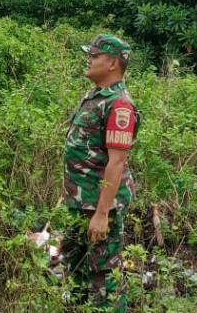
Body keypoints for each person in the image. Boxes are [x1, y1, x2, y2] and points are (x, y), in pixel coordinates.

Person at [61, 34, 139, 312]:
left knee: (105, 275)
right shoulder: (94, 96)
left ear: (112, 63)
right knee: (77, 267)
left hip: (99, 204)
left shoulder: (119, 105)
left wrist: (102, 213)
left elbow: (116, 162)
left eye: (95, 56)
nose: (89, 59)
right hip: (80, 201)